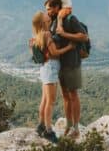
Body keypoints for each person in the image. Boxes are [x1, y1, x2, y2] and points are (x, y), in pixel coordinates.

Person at [44, 0, 88, 139]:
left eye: (49, 8)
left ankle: (76, 128)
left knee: (73, 96)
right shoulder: (55, 21)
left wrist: (65, 34)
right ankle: (69, 125)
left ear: (57, 7)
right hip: (60, 64)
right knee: (65, 97)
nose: (48, 11)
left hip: (72, 63)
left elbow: (83, 36)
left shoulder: (71, 19)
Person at [31, 11, 75, 143]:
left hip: (45, 68)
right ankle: (48, 131)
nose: (47, 15)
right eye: (45, 15)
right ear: (42, 21)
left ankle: (41, 125)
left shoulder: (39, 34)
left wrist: (59, 20)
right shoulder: (47, 34)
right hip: (50, 68)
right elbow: (54, 52)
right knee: (50, 101)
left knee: (45, 100)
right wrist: (69, 47)